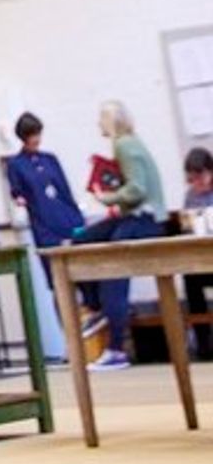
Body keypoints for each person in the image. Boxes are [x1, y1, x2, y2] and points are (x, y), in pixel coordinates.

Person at [74, 99, 167, 369]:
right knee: (82, 241)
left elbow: (137, 189)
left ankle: (115, 347)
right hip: (138, 216)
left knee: (111, 264)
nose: (98, 124)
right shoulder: (130, 143)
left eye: (101, 119)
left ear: (110, 121)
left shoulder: (124, 145)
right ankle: (99, 308)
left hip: (144, 219)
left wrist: (107, 197)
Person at [6, 112, 85, 279]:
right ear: (23, 137)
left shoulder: (50, 159)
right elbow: (17, 193)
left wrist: (79, 219)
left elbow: (65, 190)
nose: (36, 139)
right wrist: (19, 199)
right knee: (56, 276)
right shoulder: (16, 164)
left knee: (84, 272)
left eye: (38, 134)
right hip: (44, 226)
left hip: (69, 219)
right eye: (31, 135)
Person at [181, 145, 213, 359]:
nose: (196, 183)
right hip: (201, 259)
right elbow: (187, 226)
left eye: (200, 177)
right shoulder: (190, 196)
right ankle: (203, 342)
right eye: (191, 179)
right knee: (190, 279)